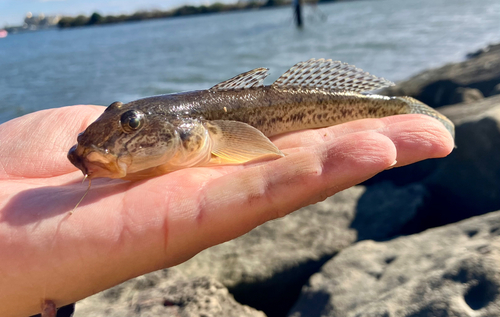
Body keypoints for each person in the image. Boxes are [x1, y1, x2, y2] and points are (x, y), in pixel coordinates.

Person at [0, 105, 454, 316]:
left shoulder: (205, 129)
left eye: (131, 124)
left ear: (195, 133)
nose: (123, 133)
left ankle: (412, 111)